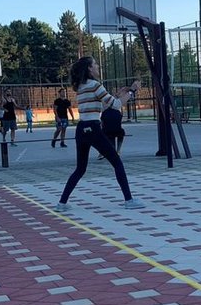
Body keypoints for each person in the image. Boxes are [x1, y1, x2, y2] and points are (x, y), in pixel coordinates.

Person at [56, 56, 144, 211]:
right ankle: (129, 200)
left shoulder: (81, 87)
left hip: (81, 130)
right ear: (89, 68)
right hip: (93, 129)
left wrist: (119, 94)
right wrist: (132, 91)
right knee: (117, 162)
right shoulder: (96, 85)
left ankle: (61, 203)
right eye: (95, 64)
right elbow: (116, 105)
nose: (98, 67)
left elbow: (101, 107)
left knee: (80, 169)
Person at [99, 80, 140, 158]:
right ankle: (109, 151)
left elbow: (122, 96)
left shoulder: (118, 102)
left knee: (117, 134)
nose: (119, 91)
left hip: (113, 122)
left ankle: (116, 151)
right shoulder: (110, 100)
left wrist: (131, 89)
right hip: (108, 121)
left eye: (121, 91)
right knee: (110, 136)